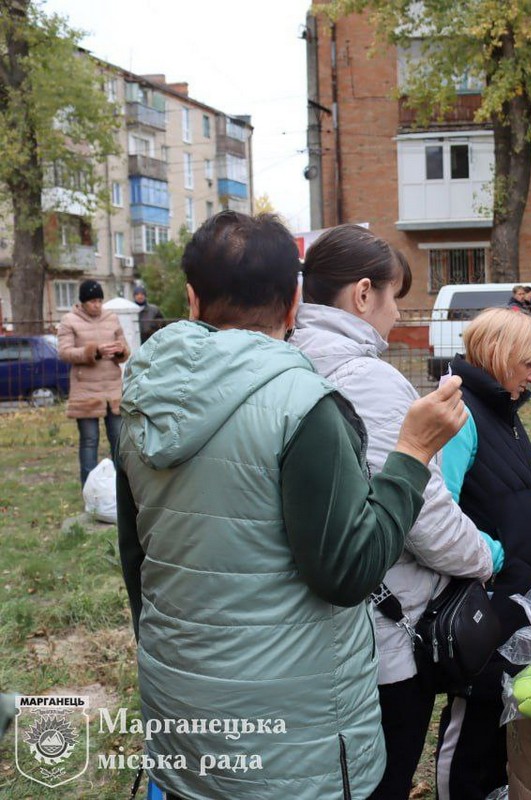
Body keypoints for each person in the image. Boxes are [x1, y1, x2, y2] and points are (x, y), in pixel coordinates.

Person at [115, 211, 468, 800]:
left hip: (182, 703)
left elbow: (138, 562)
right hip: (291, 733)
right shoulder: (305, 406)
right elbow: (348, 572)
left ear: (192, 298)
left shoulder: (138, 400)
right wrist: (412, 454)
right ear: (293, 302)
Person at [290, 225, 499, 799]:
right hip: (383, 642)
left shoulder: (287, 363)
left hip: (308, 639)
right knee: (385, 775)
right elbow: (423, 516)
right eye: (393, 296)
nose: (395, 311)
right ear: (363, 295)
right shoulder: (370, 382)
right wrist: (484, 556)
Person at [433, 308, 531, 800]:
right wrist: (496, 556)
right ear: (499, 356)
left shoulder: (503, 410)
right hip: (487, 603)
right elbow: (435, 504)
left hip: (518, 602)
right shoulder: (462, 414)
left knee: (502, 725)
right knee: (475, 726)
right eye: (527, 362)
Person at [56, 279, 129, 486]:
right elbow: (64, 352)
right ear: (83, 302)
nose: (97, 305)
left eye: (99, 300)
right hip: (85, 391)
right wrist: (94, 351)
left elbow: (125, 347)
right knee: (89, 441)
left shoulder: (111, 318)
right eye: (92, 301)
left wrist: (120, 351)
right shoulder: (69, 320)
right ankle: (89, 489)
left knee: (119, 441)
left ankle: (122, 488)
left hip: (112, 391)